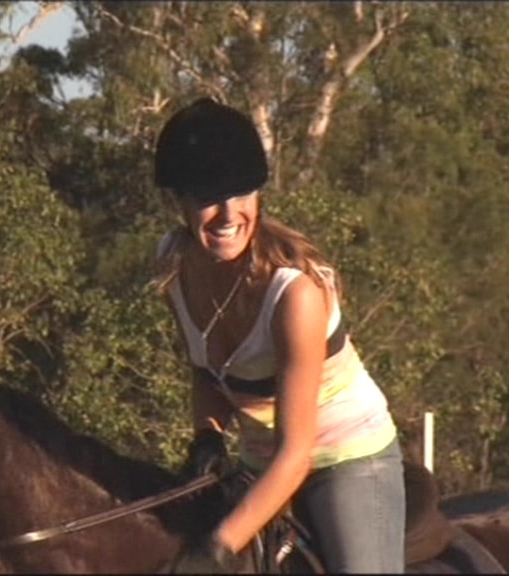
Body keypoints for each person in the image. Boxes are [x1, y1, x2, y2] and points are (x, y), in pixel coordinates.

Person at [152, 97, 405, 574]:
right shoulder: (174, 266)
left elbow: (296, 455)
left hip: (344, 458)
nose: (229, 214)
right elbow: (205, 373)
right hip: (258, 463)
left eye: (242, 194)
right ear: (176, 203)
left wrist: (216, 550)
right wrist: (207, 438)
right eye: (208, 198)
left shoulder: (294, 296)